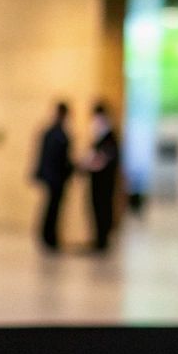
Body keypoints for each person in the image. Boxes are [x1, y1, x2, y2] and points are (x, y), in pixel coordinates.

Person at [32, 101, 73, 251]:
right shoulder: (57, 134)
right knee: (52, 208)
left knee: (51, 208)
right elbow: (59, 158)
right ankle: (49, 237)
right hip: (56, 178)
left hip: (53, 177)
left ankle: (49, 236)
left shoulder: (51, 132)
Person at [82, 101, 120, 253]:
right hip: (96, 180)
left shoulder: (109, 135)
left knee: (103, 209)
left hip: (104, 182)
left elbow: (108, 158)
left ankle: (102, 239)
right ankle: (98, 238)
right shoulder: (99, 135)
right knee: (95, 209)